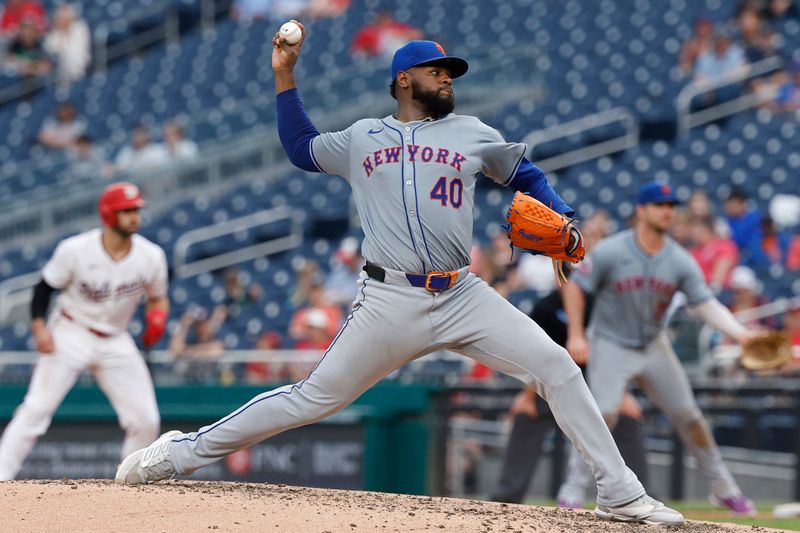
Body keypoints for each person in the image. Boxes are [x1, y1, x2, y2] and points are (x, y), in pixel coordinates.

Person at [115, 26, 683, 526]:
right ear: (405, 80)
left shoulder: (471, 131)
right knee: (311, 399)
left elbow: (526, 175)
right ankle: (179, 454)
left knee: (558, 367)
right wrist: (285, 75)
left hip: (462, 293)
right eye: (437, 72)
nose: (448, 79)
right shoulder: (363, 137)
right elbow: (300, 148)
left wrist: (565, 220)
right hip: (389, 299)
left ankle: (619, 493)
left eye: (450, 72)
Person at [555, 182, 758, 517]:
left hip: (653, 345)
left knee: (690, 417)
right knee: (602, 413)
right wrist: (576, 334)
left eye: (670, 204)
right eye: (659, 204)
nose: (667, 210)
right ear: (641, 210)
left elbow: (706, 304)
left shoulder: (679, 259)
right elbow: (575, 287)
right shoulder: (611, 249)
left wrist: (741, 334)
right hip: (610, 342)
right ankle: (572, 488)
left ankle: (724, 489)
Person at [0, 182, 169, 480]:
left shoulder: (151, 255)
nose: (134, 216)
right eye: (126, 211)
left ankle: (133, 484)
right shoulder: (75, 250)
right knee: (36, 409)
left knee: (145, 419)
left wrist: (157, 317)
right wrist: (40, 330)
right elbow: (43, 290)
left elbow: (158, 297)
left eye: (136, 210)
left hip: (116, 338)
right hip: (71, 331)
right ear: (108, 214)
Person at [42, 4, 90, 86]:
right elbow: (49, 49)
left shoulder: (79, 28)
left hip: (80, 72)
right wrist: (61, 34)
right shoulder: (52, 34)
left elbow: (75, 53)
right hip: (57, 75)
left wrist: (64, 35)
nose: (59, 21)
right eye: (58, 18)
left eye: (63, 19)